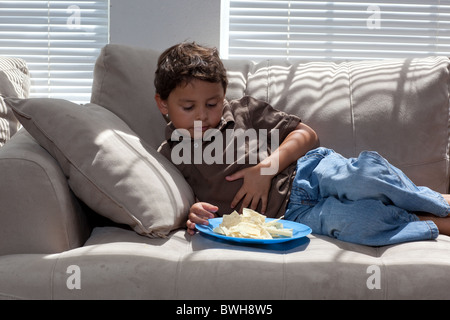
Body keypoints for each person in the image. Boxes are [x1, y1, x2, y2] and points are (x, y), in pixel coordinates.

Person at [154, 42, 450, 246]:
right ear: (163, 105)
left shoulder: (244, 111)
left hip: (309, 172)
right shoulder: (170, 157)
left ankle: (436, 200)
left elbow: (307, 135)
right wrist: (193, 214)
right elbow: (183, 203)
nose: (204, 116)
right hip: (291, 216)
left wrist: (267, 169)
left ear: (223, 95)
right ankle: (432, 222)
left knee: (364, 178)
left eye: (212, 103)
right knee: (360, 224)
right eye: (189, 107)